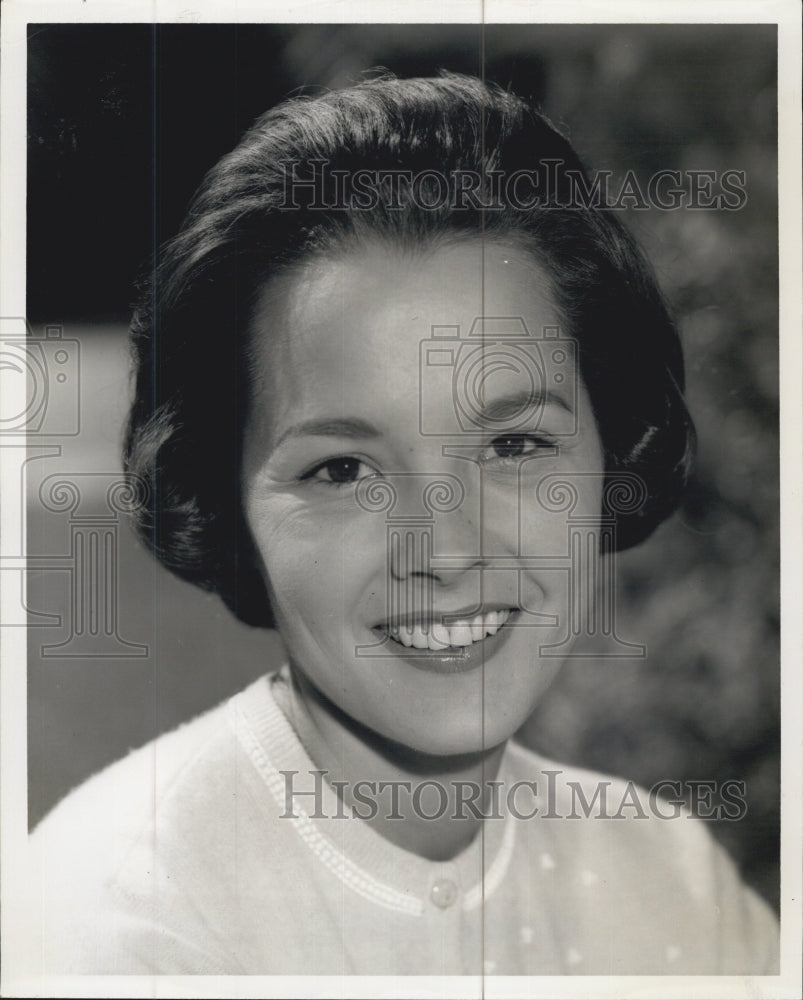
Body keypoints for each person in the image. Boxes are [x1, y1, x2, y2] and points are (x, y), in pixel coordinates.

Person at [27, 72, 779, 976]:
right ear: (226, 500)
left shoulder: (670, 882)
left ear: (610, 449)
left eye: (512, 444)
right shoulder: (126, 924)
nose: (446, 549)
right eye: (341, 470)